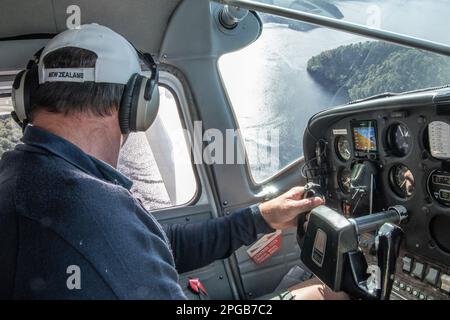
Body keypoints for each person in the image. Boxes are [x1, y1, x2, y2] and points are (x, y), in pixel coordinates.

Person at [0, 24, 339, 300]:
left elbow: (153, 242)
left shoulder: (25, 177)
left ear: (27, 99)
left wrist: (261, 217)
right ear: (136, 106)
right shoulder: (86, 209)